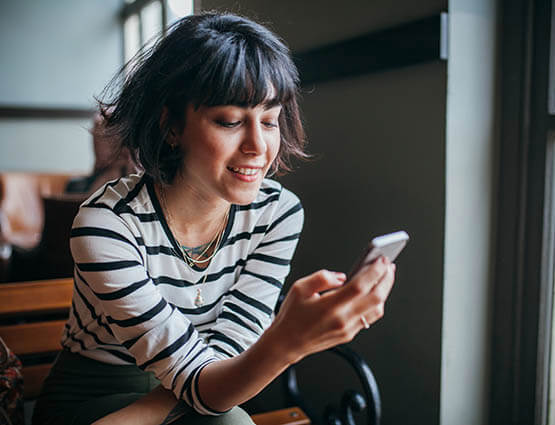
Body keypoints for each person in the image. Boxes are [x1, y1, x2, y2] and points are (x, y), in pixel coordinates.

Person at [32, 12, 396, 425]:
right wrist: (288, 342)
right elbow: (203, 386)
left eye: (270, 120)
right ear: (171, 125)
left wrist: (281, 345)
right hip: (97, 395)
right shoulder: (109, 225)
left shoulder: (277, 213)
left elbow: (222, 360)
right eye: (230, 121)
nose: (258, 146)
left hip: (206, 386)